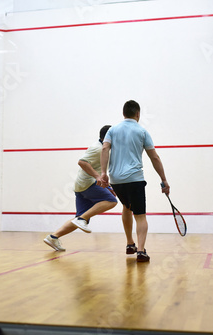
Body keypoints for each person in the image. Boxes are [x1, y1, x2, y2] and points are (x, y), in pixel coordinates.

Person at [100, 100, 170, 262]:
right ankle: (140, 251)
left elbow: (104, 148)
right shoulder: (142, 131)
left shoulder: (112, 130)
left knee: (126, 207)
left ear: (124, 113)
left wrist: (104, 173)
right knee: (140, 215)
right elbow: (154, 157)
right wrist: (164, 179)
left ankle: (130, 244)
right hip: (135, 179)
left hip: (116, 181)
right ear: (137, 114)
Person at [44, 125, 118, 251]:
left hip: (82, 186)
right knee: (111, 201)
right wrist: (97, 177)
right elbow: (82, 162)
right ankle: (82, 219)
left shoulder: (104, 149)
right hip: (87, 183)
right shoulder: (98, 148)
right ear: (108, 137)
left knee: (79, 218)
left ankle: (53, 237)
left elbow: (99, 170)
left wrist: (108, 186)